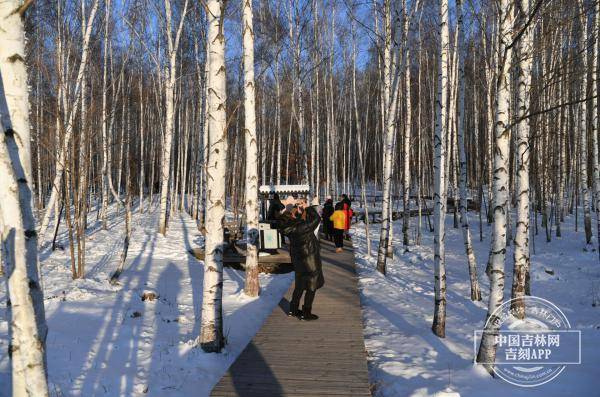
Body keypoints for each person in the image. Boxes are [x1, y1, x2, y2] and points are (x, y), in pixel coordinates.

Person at [276, 199, 324, 321]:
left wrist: (297, 212)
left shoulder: (289, 227)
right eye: (293, 212)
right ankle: (306, 313)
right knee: (311, 287)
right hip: (310, 261)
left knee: (299, 286)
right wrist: (308, 208)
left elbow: (298, 221)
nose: (295, 213)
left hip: (298, 262)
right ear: (290, 216)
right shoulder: (300, 227)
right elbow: (316, 219)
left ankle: (293, 309)